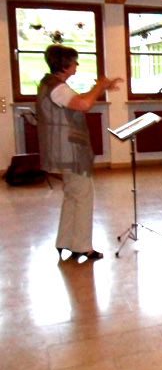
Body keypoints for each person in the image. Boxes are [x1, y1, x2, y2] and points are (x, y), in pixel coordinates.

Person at [37, 44, 123, 261]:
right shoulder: (58, 87)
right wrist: (100, 85)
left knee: (72, 195)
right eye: (74, 62)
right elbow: (84, 104)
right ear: (65, 65)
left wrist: (101, 88)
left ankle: (65, 241)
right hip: (70, 150)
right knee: (83, 196)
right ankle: (83, 246)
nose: (76, 65)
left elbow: (76, 101)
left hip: (63, 149)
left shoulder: (51, 83)